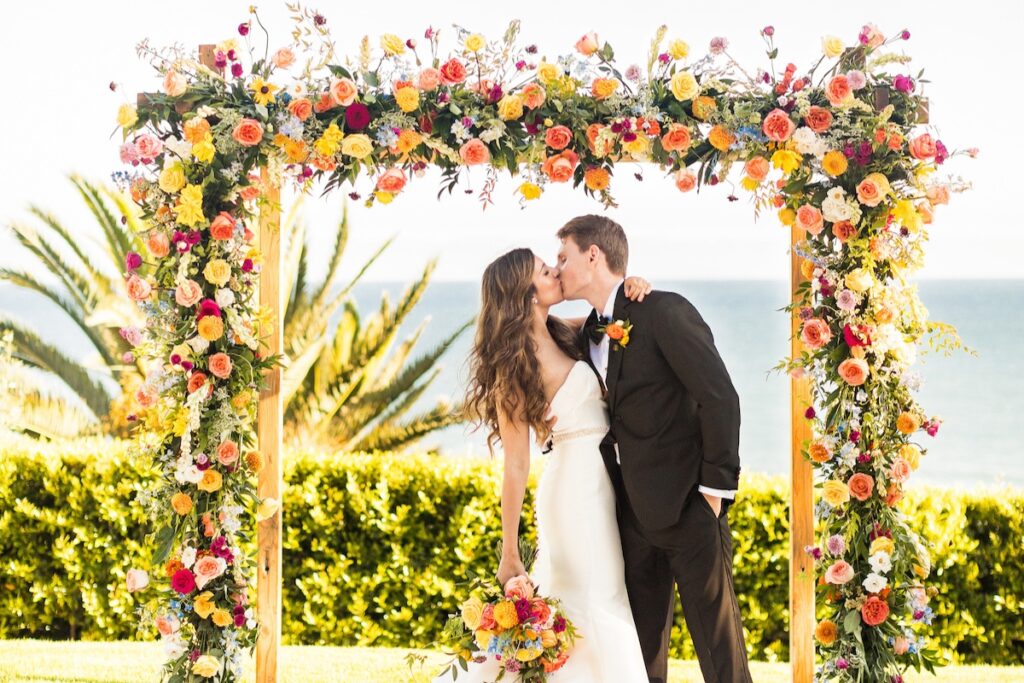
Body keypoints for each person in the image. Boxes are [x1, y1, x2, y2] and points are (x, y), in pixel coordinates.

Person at [435, 248, 651, 682]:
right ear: (525, 294)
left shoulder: (568, 331)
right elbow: (515, 466)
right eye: (545, 270)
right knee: (596, 601)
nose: (556, 273)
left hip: (601, 481)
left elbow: (615, 324)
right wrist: (509, 551)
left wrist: (634, 288)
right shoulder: (513, 369)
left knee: (592, 600)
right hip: (573, 492)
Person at [555, 214, 753, 683]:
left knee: (718, 648)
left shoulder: (663, 311)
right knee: (639, 654)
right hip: (628, 513)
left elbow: (719, 397)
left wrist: (713, 492)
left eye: (563, 257)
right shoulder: (588, 333)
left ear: (593, 255)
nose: (558, 267)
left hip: (689, 505)